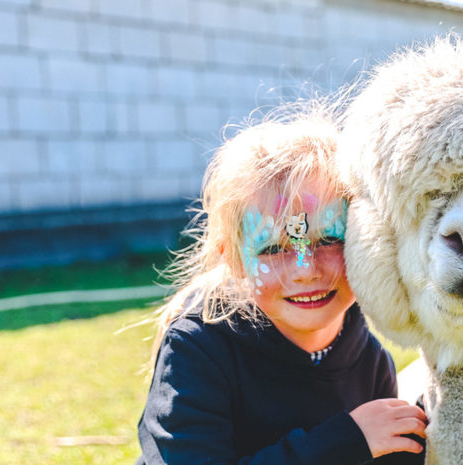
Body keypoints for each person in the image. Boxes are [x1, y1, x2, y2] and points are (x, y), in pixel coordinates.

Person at [136, 105, 427, 464]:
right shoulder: (196, 351)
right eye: (273, 248)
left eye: (328, 239)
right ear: (235, 260)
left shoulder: (370, 359)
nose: (305, 270)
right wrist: (346, 441)